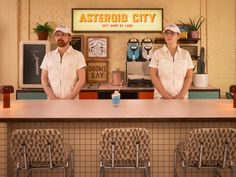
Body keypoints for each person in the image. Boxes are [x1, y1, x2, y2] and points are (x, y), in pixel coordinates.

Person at [40, 25, 86, 99]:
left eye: (63, 35)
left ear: (70, 38)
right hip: (52, 103)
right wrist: (53, 98)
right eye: (57, 35)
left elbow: (82, 80)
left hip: (72, 102)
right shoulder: (48, 56)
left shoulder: (78, 55)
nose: (60, 37)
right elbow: (44, 79)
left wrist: (70, 98)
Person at [149, 24, 194, 99]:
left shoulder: (185, 54)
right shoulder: (157, 53)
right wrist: (167, 96)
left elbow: (189, 77)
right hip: (161, 98)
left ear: (178, 36)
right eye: (167, 33)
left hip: (181, 99)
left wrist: (180, 96)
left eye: (172, 33)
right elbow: (153, 75)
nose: (169, 35)